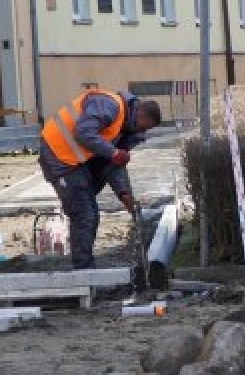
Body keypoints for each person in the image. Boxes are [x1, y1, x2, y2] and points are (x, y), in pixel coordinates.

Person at [39, 88, 162, 270]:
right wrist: (113, 152)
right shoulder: (109, 106)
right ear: (140, 113)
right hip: (57, 153)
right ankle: (84, 272)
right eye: (144, 127)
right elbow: (84, 133)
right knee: (84, 213)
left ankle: (84, 267)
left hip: (75, 159)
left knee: (89, 211)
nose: (143, 132)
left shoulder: (124, 128)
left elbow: (113, 163)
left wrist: (123, 193)